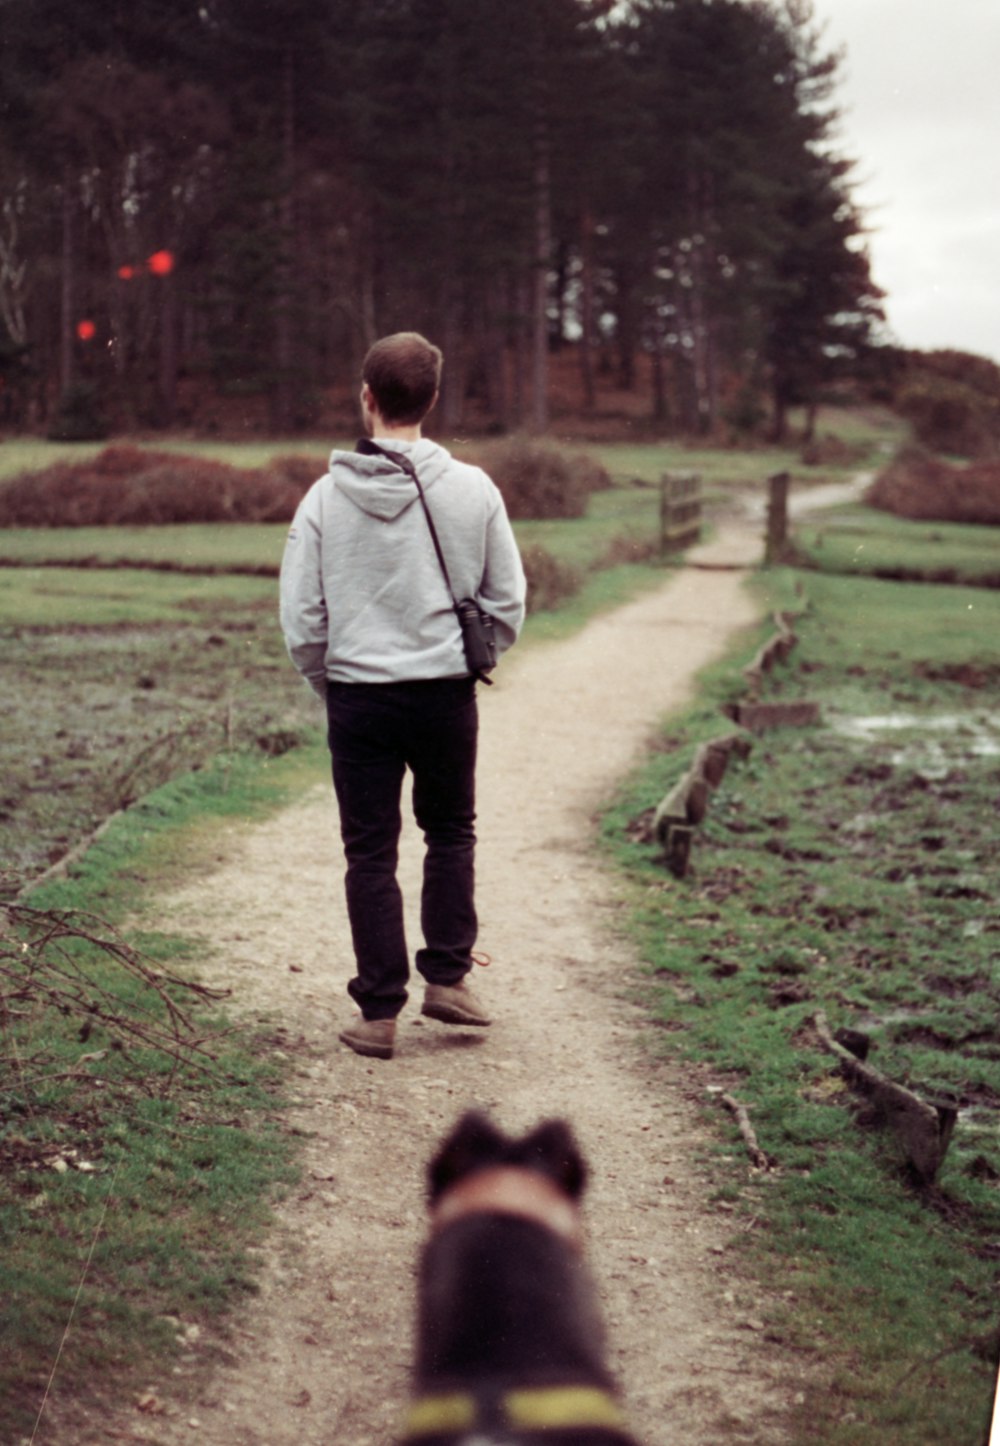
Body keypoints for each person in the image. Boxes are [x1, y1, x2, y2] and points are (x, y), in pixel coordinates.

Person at [279, 332, 526, 1060]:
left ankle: (378, 1014)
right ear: (432, 398)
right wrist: (464, 659)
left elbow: (301, 617)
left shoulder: (324, 498)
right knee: (450, 832)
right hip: (444, 694)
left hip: (359, 697)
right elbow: (506, 600)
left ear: (366, 396)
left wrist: (331, 679)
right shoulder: (474, 488)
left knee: (369, 853)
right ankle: (447, 979)